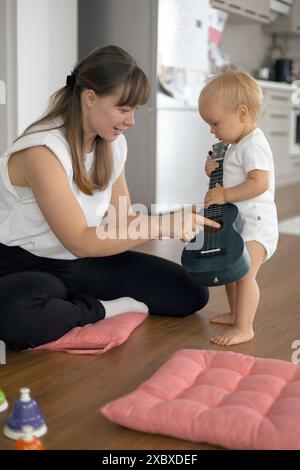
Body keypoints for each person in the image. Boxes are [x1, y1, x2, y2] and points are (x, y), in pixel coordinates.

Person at [0, 45, 219, 351]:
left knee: (190, 293)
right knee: (16, 316)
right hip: (26, 264)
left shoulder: (113, 145)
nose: (131, 120)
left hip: (82, 261)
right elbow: (79, 239)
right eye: (123, 108)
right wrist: (161, 225)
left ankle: (66, 303)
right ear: (90, 98)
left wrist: (183, 218)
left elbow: (122, 219)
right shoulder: (42, 152)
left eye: (135, 110)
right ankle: (100, 309)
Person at [199, 69, 278, 346]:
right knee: (232, 273)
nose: (212, 130)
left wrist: (225, 194)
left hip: (256, 226)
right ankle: (236, 314)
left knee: (244, 275)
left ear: (242, 113)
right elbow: (231, 177)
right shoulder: (236, 144)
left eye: (215, 123)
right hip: (240, 224)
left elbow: (259, 183)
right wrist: (214, 171)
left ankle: (245, 327)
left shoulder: (253, 145)